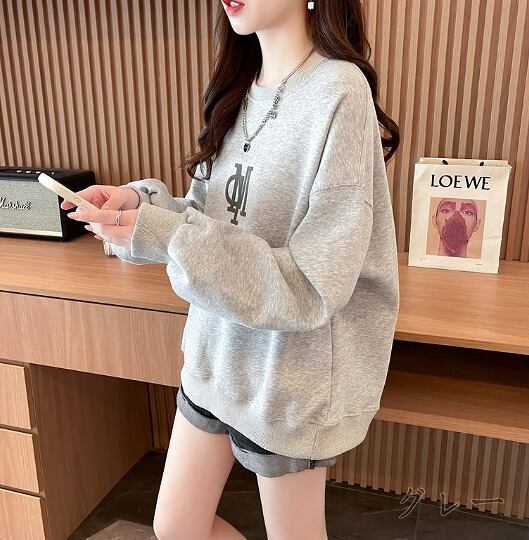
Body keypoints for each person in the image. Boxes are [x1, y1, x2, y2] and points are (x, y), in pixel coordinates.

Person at [63, 0, 400, 538]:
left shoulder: (339, 91)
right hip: (216, 353)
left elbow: (314, 284)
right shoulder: (238, 87)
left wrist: (165, 233)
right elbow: (210, 220)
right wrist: (142, 207)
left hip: (287, 375)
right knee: (177, 527)